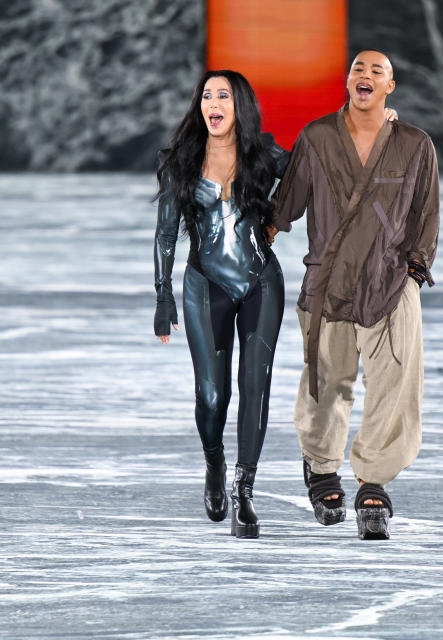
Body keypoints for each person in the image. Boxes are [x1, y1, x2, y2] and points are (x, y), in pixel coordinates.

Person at [269, 49, 440, 540]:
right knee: (325, 383)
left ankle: (374, 481)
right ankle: (322, 467)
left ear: (391, 86)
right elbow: (286, 206)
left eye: (376, 71)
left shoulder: (414, 144)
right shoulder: (318, 137)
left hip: (390, 283)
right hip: (328, 283)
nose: (364, 75)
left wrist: (412, 272)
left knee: (395, 385)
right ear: (348, 82)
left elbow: (426, 215)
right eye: (357, 69)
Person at [152, 70, 289, 539]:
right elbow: (166, 233)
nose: (213, 102)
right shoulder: (181, 161)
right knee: (212, 396)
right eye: (207, 95)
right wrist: (162, 294)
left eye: (223, 95)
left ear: (240, 106)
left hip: (260, 282)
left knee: (256, 387)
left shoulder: (267, 156)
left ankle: (244, 491)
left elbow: (317, 171)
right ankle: (215, 464)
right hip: (203, 283)